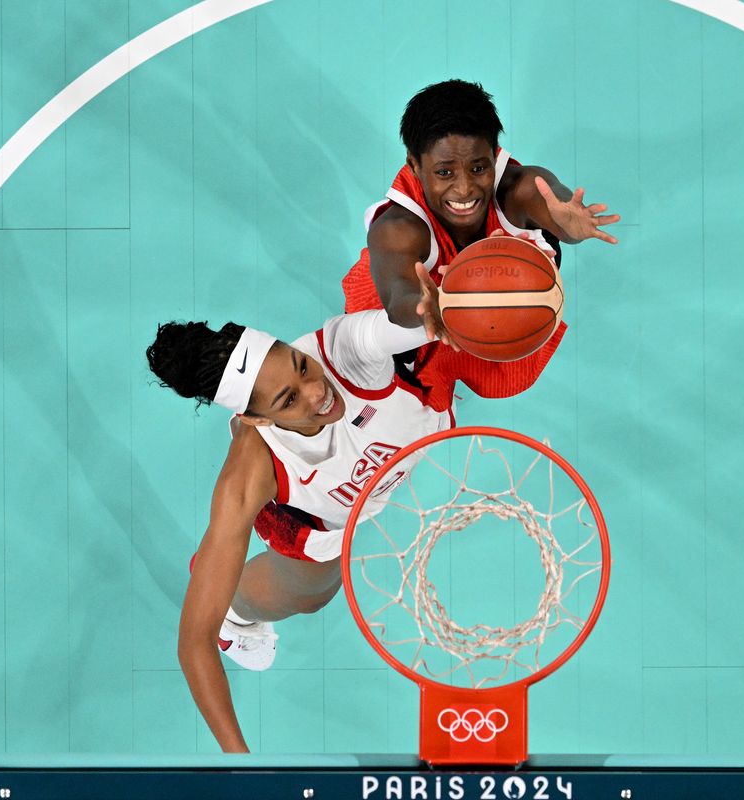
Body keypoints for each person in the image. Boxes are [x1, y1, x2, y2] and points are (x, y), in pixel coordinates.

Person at [147, 265, 464, 753]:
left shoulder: (344, 352)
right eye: (289, 399)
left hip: (388, 451)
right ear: (254, 418)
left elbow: (407, 323)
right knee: (315, 593)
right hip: (316, 509)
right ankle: (233, 602)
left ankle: (224, 576)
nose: (318, 391)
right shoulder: (250, 473)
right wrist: (242, 766)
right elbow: (193, 641)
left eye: (299, 365)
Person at [342, 79, 619, 410]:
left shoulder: (520, 187)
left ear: (495, 153)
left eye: (478, 168)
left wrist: (570, 226)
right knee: (396, 347)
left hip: (496, 284)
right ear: (415, 165)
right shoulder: (398, 228)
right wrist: (425, 305)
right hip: (428, 293)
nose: (464, 189)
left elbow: (555, 205)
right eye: (444, 173)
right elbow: (397, 295)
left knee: (540, 253)